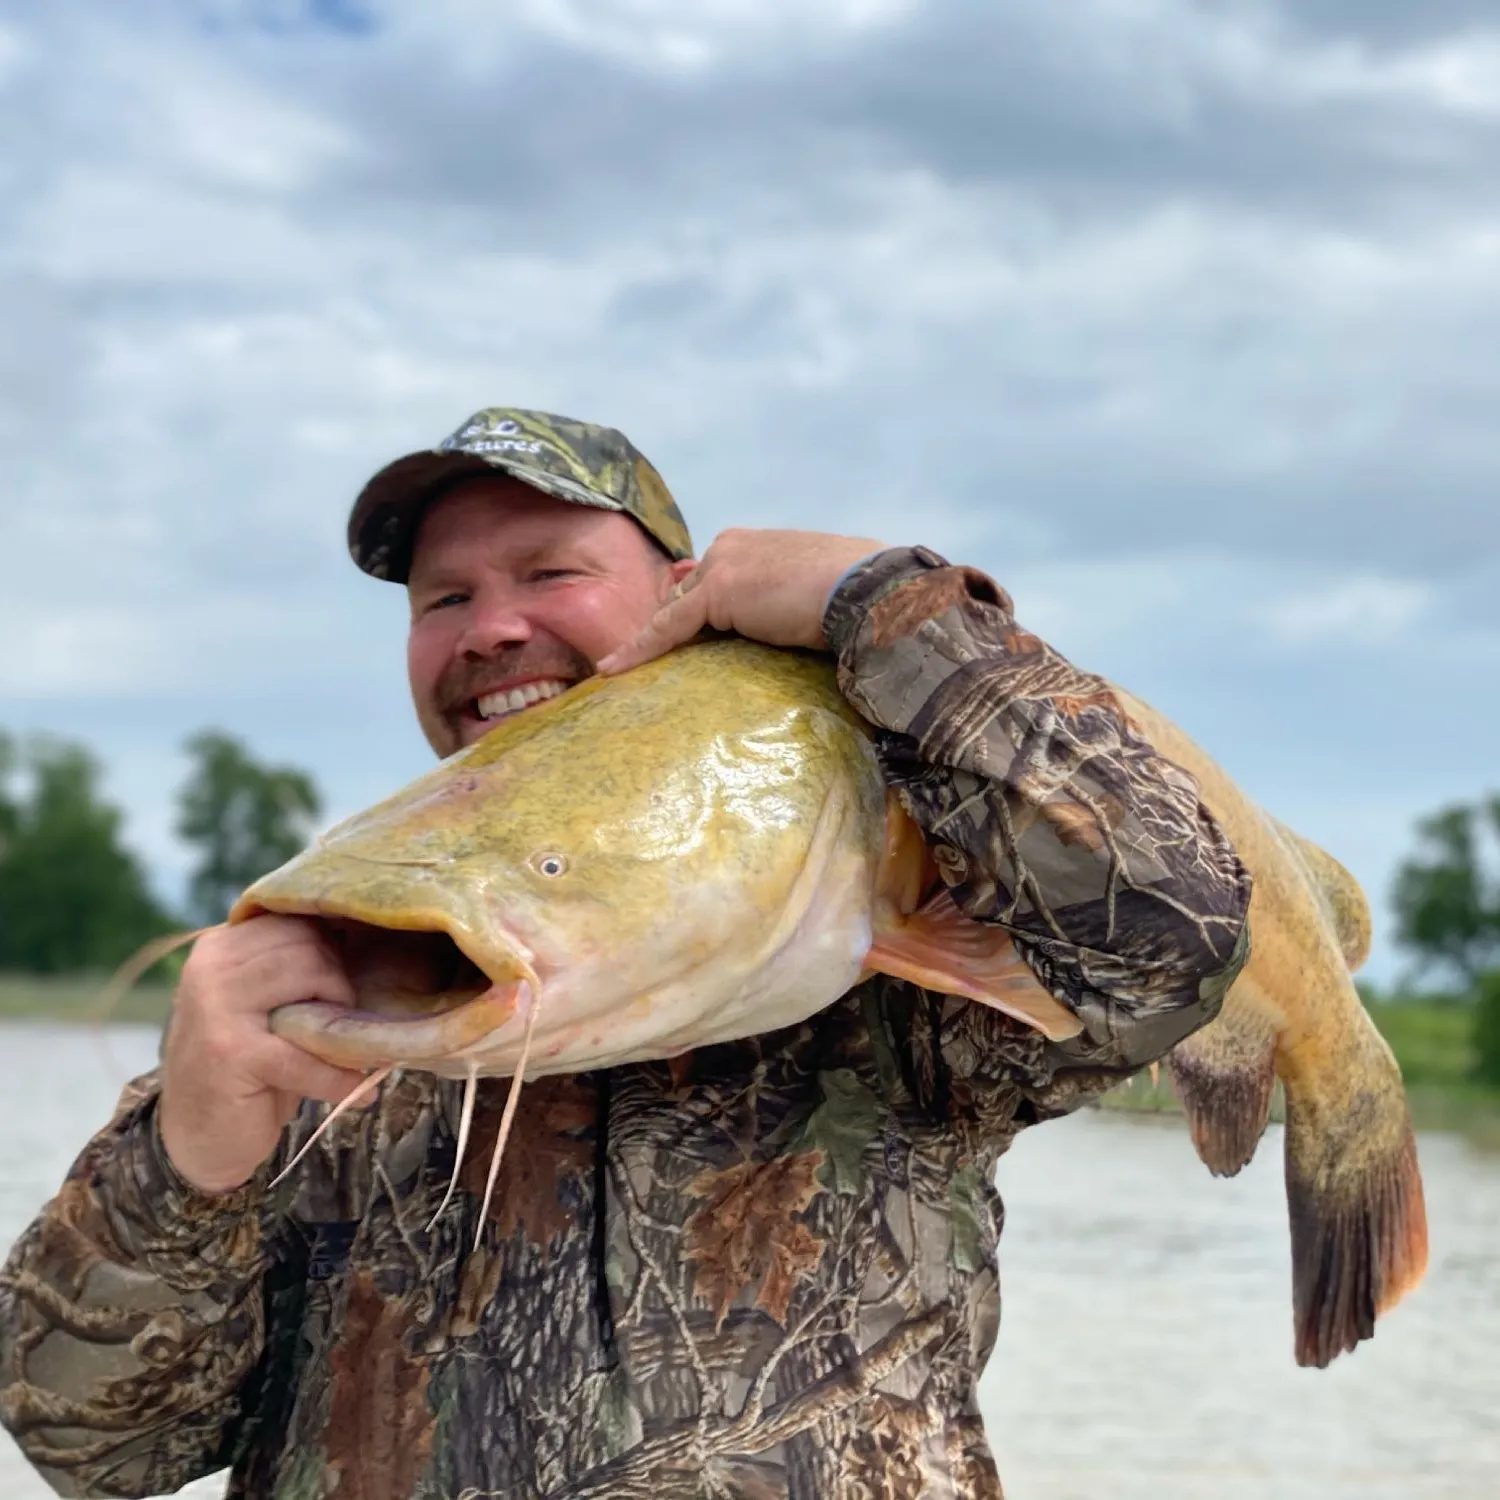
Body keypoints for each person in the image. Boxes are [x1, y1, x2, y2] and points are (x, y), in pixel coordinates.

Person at [0, 408, 1251, 1499]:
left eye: (549, 571)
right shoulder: (331, 988)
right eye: (444, 598)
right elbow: (92, 1451)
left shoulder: (886, 944)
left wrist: (882, 607)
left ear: (690, 599)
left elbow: (1177, 928)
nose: (491, 629)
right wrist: (187, 1164)